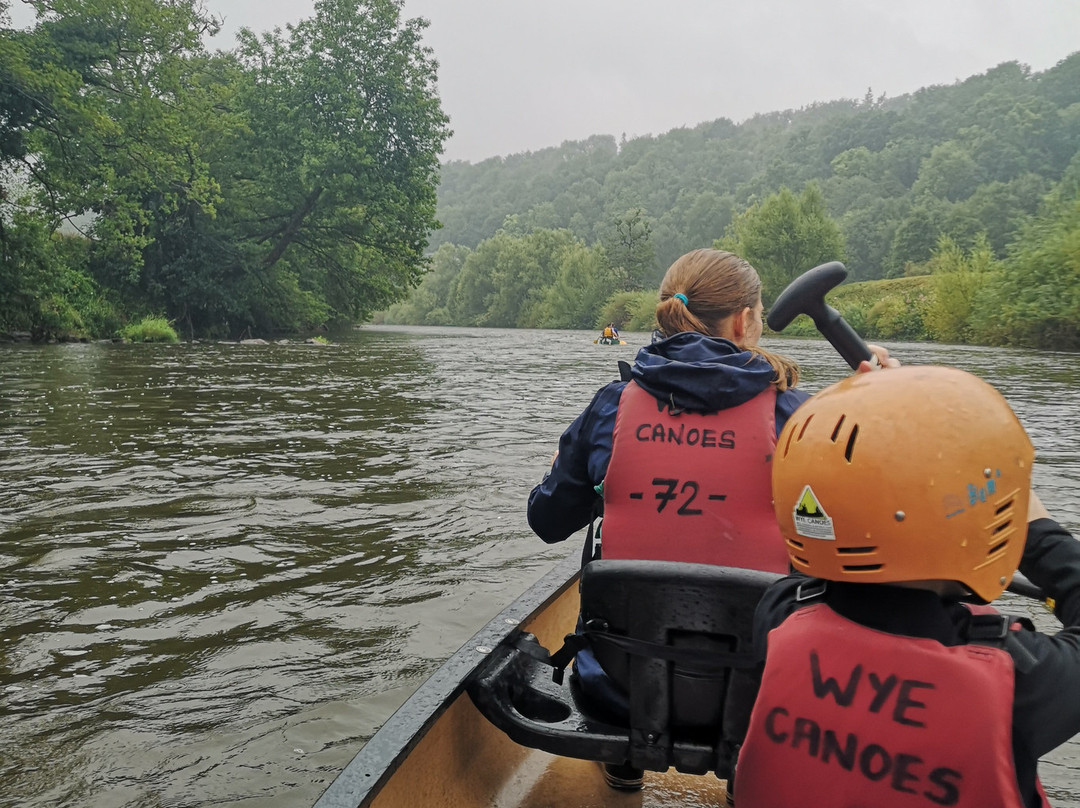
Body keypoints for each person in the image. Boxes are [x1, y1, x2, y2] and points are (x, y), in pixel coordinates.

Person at [527, 248, 895, 786]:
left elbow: (546, 521)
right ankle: (746, 782)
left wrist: (581, 472)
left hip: (617, 692)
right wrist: (875, 408)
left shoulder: (610, 406)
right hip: (763, 699)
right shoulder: (800, 416)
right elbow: (872, 537)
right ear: (746, 320)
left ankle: (626, 765)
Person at [734, 365, 1080, 808]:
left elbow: (826, 539)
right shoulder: (1018, 678)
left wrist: (877, 404)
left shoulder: (781, 611)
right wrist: (1039, 531)